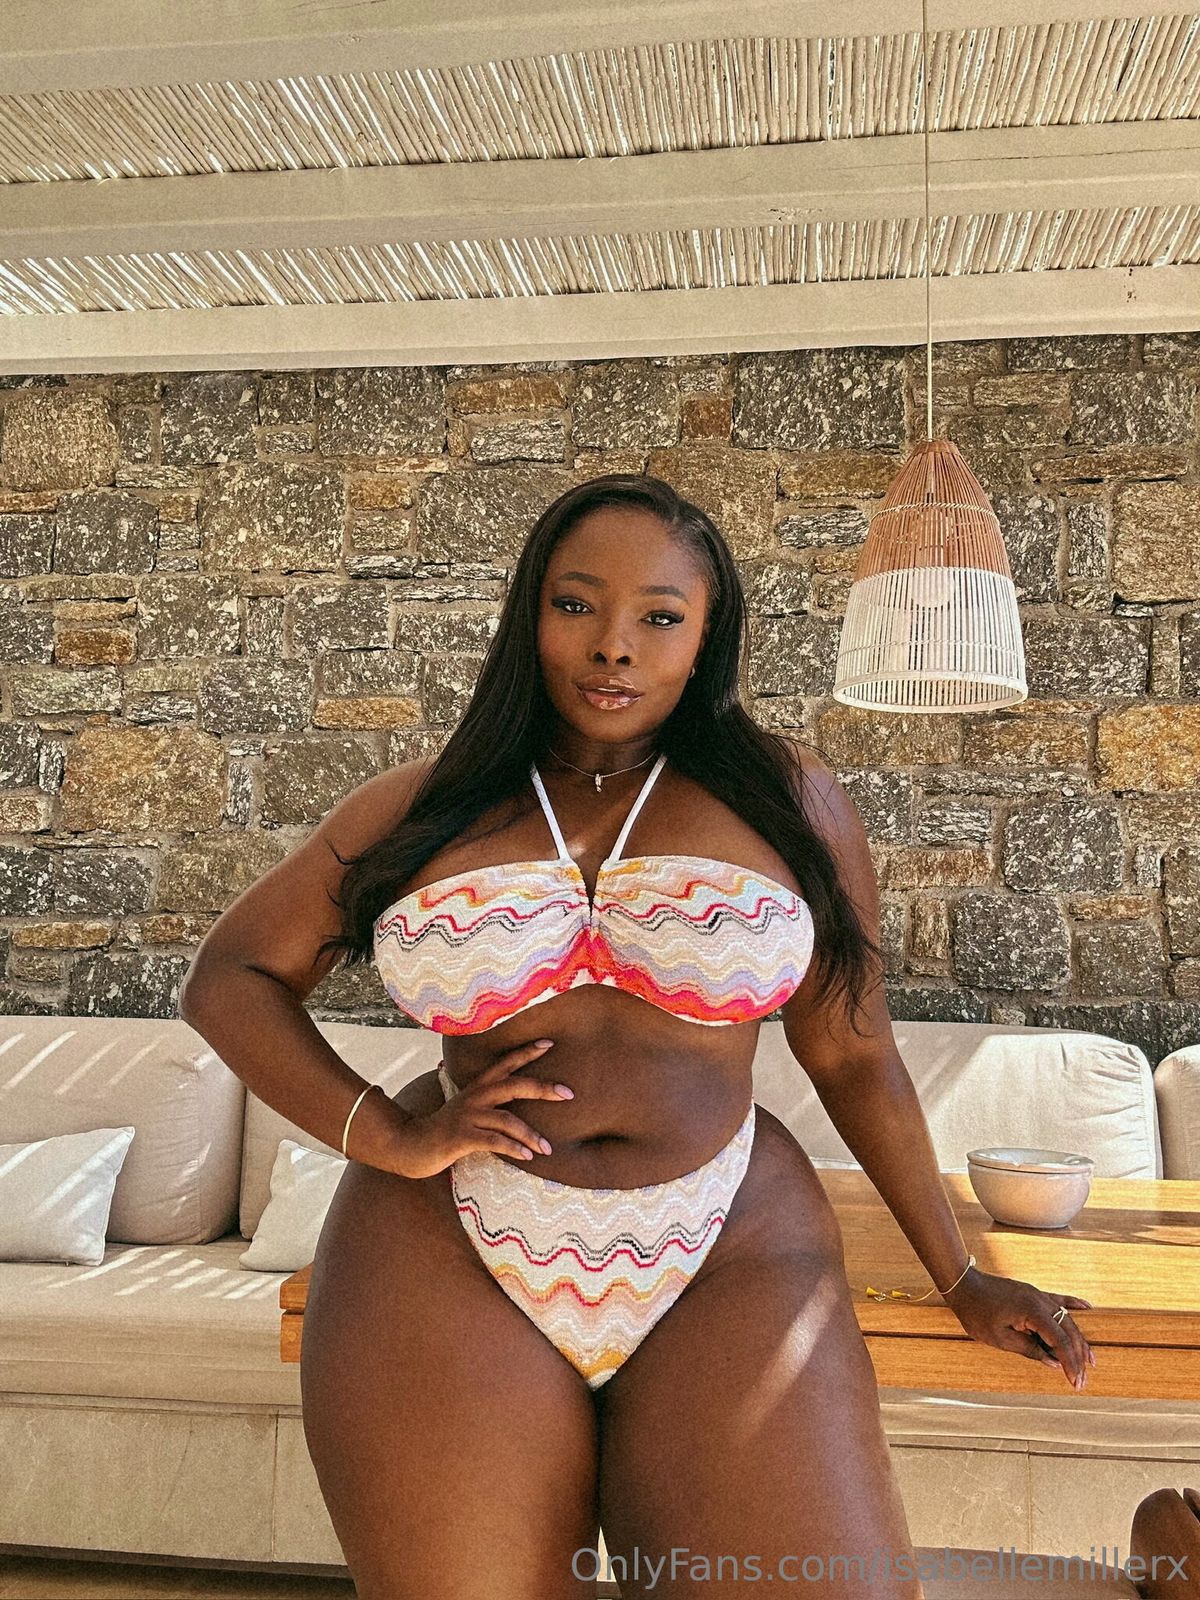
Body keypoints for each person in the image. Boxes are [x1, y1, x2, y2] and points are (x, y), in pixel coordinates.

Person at [180, 473, 1096, 1600]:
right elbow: (231, 977)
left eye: (660, 617)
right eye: (577, 605)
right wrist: (385, 1134)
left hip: (728, 1239)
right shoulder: (426, 805)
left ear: (707, 638)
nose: (614, 645)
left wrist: (960, 1274)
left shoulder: (786, 800)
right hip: (448, 1246)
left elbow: (853, 1052)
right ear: (530, 615)